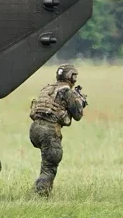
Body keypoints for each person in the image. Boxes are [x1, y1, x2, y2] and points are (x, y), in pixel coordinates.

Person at [28, 64, 86, 196]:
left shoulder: (48, 88)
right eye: (74, 76)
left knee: (46, 161)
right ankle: (40, 194)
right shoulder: (67, 92)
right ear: (70, 77)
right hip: (49, 131)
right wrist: (80, 102)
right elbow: (77, 115)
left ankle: (44, 190)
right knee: (50, 166)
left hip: (35, 129)